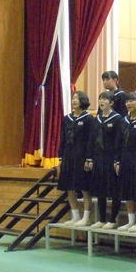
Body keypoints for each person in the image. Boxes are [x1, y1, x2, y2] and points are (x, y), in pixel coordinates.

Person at [57, 91, 95, 227]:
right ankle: (75, 216)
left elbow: (91, 140)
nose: (74, 101)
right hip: (68, 155)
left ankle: (86, 217)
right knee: (69, 187)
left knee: (84, 187)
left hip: (82, 156)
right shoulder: (66, 119)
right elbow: (62, 138)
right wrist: (60, 157)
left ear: (83, 101)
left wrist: (89, 158)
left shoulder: (88, 119)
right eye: (73, 98)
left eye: (77, 98)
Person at [88, 91, 124, 229]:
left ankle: (113, 219)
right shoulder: (97, 119)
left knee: (114, 189)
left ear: (111, 103)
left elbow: (119, 141)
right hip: (98, 157)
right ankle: (102, 219)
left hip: (111, 157)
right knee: (100, 188)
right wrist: (90, 158)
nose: (101, 102)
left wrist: (117, 159)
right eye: (100, 99)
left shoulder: (117, 119)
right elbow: (91, 139)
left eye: (105, 99)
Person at [115, 93, 136, 232]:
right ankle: (131, 221)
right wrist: (117, 160)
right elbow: (118, 142)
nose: (128, 103)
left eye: (132, 101)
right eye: (127, 101)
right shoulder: (124, 120)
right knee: (127, 189)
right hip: (125, 158)